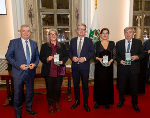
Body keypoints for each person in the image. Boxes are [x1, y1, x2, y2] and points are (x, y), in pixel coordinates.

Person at [5, 25, 39, 118]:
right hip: (18, 73)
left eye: (28, 31)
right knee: (18, 94)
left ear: (30, 33)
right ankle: (18, 114)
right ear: (20, 31)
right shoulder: (14, 42)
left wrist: (34, 64)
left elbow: (37, 58)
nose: (26, 33)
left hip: (30, 73)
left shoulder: (34, 43)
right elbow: (8, 56)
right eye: (24, 31)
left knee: (30, 93)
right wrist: (18, 65)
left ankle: (29, 108)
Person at [39, 29, 68, 114]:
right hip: (49, 71)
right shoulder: (44, 46)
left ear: (57, 36)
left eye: (54, 34)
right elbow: (41, 57)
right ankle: (51, 104)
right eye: (51, 34)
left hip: (59, 70)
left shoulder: (62, 46)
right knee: (50, 88)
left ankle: (57, 102)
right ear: (49, 36)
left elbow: (66, 55)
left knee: (58, 88)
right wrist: (47, 59)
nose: (53, 35)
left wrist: (62, 61)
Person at [116, 27, 144, 112]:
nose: (128, 34)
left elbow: (143, 54)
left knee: (134, 88)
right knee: (121, 87)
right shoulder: (119, 43)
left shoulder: (138, 42)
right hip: (122, 69)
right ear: (124, 33)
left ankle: (134, 103)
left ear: (133, 33)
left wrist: (137, 57)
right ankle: (121, 101)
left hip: (134, 69)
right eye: (126, 32)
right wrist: (120, 61)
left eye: (130, 32)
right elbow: (115, 55)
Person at [69, 24, 95, 112]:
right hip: (75, 67)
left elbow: (92, 52)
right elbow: (69, 52)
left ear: (85, 31)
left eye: (83, 29)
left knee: (85, 86)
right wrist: (72, 57)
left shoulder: (89, 41)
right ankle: (77, 100)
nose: (81, 31)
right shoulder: (72, 40)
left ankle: (85, 103)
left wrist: (85, 58)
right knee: (76, 85)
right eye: (80, 29)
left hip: (85, 67)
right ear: (77, 30)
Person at [93, 28, 115, 109]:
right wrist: (99, 59)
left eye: (106, 33)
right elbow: (94, 55)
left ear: (108, 35)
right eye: (103, 33)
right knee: (99, 83)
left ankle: (107, 102)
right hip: (99, 67)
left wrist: (111, 61)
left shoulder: (112, 43)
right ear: (100, 35)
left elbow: (114, 55)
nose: (105, 35)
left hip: (109, 67)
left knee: (108, 84)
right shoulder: (96, 44)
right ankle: (98, 102)